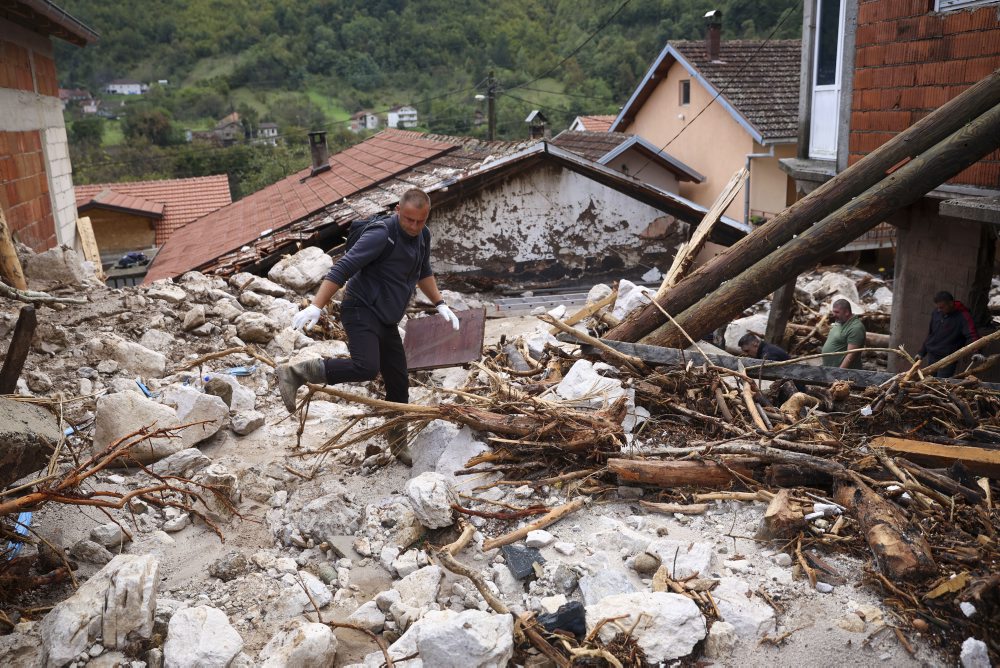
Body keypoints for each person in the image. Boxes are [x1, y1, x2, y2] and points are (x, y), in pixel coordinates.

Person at [277, 188, 459, 464]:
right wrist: (317, 305)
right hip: (360, 308)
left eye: (420, 221)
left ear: (426, 217)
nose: (413, 226)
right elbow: (343, 268)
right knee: (367, 366)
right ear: (398, 211)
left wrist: (440, 303)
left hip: (386, 317)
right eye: (408, 220)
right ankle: (297, 372)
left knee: (398, 381)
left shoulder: (423, 236)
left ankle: (398, 442)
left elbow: (423, 271)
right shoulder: (381, 234)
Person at [918, 291, 978, 377]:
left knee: (941, 385)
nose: (939, 310)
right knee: (928, 383)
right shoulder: (937, 313)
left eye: (942, 307)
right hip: (932, 355)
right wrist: (921, 352)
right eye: (938, 307)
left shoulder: (963, 316)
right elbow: (931, 334)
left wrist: (976, 351)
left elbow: (972, 335)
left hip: (948, 359)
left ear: (951, 303)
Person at [821, 299, 865, 369]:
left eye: (837, 312)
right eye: (833, 312)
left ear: (847, 312)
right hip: (829, 369)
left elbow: (850, 355)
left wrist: (840, 372)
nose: (834, 315)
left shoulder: (856, 328)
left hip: (844, 373)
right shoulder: (840, 321)